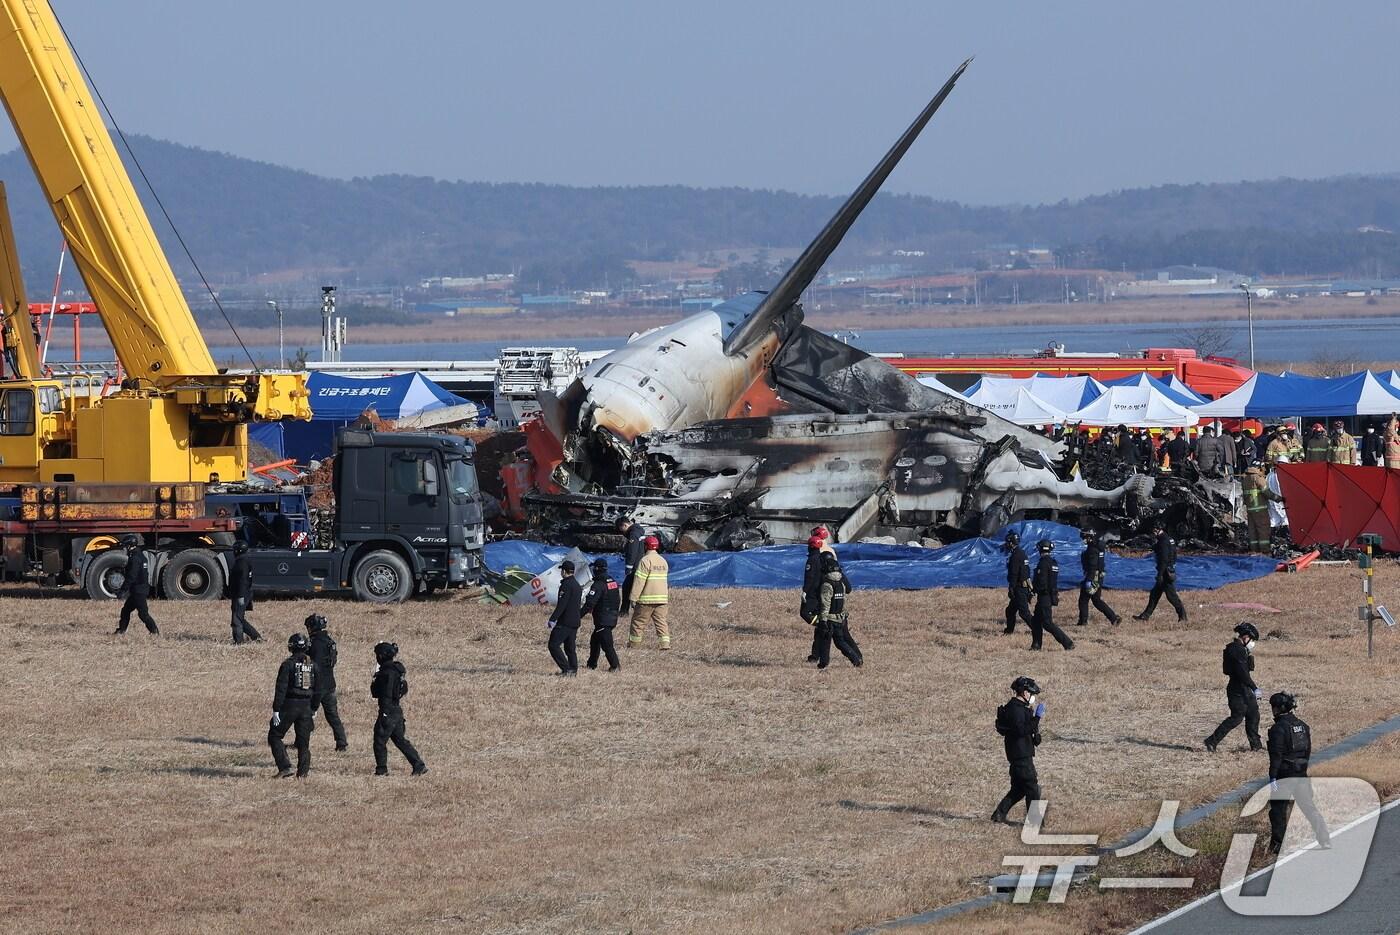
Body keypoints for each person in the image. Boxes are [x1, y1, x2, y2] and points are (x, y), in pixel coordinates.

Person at [1265, 692, 1330, 853]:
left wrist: (1272, 777)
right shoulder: (1303, 726)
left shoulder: (1278, 729)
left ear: (1278, 708)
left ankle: (1278, 845)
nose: (1272, 710)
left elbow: (1276, 756)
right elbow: (1307, 751)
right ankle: (1325, 839)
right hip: (1301, 774)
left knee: (1278, 811)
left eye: (1273, 707)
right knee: (1309, 807)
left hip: (1284, 776)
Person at [992, 676, 1046, 825]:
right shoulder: (1014, 710)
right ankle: (1035, 822)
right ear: (1024, 693)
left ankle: (999, 814)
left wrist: (1035, 737)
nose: (1033, 697)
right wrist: (1037, 718)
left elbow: (1025, 731)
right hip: (1020, 756)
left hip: (1021, 754)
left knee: (1019, 789)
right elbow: (1021, 730)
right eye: (1031, 693)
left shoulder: (1021, 708)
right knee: (1032, 788)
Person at [268, 632, 322, 778]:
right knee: (304, 742)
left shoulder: (288, 664)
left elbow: (281, 688)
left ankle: (285, 767)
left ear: (291, 647)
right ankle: (303, 773)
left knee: (275, 735)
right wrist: (314, 708)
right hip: (306, 706)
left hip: (290, 704)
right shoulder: (313, 665)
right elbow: (318, 689)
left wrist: (276, 709)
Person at [1204, 622, 1264, 753]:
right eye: (1252, 640)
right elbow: (1242, 673)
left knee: (1253, 714)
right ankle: (1211, 741)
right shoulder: (1235, 650)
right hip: (1237, 690)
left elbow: (1247, 671)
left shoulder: (1241, 650)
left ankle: (1256, 746)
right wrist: (1255, 688)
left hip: (1245, 689)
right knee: (1237, 717)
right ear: (1245, 637)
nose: (1252, 643)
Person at [371, 641, 427, 776]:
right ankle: (418, 765)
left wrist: (384, 712)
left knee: (379, 741)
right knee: (400, 740)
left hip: (388, 710)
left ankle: (381, 770)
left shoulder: (386, 673)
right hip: (396, 710)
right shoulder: (397, 670)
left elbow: (382, 693)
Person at [305, 614, 348, 750]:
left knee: (306, 714)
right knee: (333, 716)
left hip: (317, 686)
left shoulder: (315, 643)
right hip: (330, 684)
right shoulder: (330, 641)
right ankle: (342, 742)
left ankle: (301, 741)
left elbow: (314, 666)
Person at [813, 550, 862, 668]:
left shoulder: (827, 584)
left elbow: (826, 603)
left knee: (825, 641)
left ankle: (823, 663)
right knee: (840, 642)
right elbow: (843, 599)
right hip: (840, 617)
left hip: (829, 618)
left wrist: (823, 620)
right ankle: (856, 659)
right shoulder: (841, 582)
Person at [1134, 521, 1187, 622]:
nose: (1153, 533)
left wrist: (1160, 575)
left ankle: (1183, 616)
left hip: (1165, 574)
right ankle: (1145, 616)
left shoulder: (1163, 541)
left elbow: (1163, 559)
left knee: (1172, 597)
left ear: (1157, 530)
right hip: (1169, 570)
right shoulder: (1169, 539)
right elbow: (1174, 554)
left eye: (1154, 530)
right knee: (1154, 594)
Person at [627, 536, 670, 649]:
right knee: (661, 622)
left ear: (645, 546)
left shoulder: (645, 561)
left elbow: (639, 581)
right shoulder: (663, 561)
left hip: (646, 599)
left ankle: (634, 645)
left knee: (638, 623)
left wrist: (633, 597)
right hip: (662, 599)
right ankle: (665, 644)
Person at [1030, 539, 1074, 651]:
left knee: (1047, 623)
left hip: (1044, 596)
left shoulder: (1043, 563)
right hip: (1049, 595)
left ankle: (1067, 643)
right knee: (1036, 622)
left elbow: (1042, 582)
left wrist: (1033, 590)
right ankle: (1036, 645)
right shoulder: (1053, 562)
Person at [582, 557, 621, 671]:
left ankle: (615, 666)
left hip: (603, 618)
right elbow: (617, 599)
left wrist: (578, 615)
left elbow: (590, 603)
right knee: (595, 640)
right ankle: (591, 664)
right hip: (612, 616)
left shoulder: (598, 584)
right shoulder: (612, 581)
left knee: (607, 644)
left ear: (597, 569)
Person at [114, 535, 158, 636]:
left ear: (130, 546)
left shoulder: (135, 558)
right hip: (138, 590)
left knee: (143, 614)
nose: (124, 549)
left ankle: (154, 631)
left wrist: (122, 590)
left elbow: (131, 576)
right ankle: (121, 630)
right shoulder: (141, 556)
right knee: (126, 610)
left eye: (125, 546)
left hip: (139, 590)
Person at [1076, 529, 1121, 626]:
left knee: (1083, 600)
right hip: (1099, 576)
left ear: (1089, 537)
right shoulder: (1099, 546)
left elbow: (1092, 566)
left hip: (1093, 577)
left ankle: (1082, 621)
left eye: (1084, 537)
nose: (1083, 540)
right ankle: (1113, 618)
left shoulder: (1092, 549)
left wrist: (1089, 580)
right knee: (1096, 600)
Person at [548, 560, 582, 675]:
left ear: (564, 571)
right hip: (575, 621)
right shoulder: (577, 585)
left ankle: (566, 669)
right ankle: (573, 669)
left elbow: (562, 604)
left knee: (553, 645)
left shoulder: (566, 585)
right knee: (570, 647)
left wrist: (553, 618)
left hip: (565, 621)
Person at [1241, 460, 1284, 554]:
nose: (1264, 470)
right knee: (1263, 529)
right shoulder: (1258, 478)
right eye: (1263, 468)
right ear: (1259, 467)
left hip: (1250, 509)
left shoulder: (1245, 478)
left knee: (1253, 530)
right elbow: (1267, 493)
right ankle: (1264, 550)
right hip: (1260, 509)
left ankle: (1254, 549)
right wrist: (1280, 499)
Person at [227, 541, 262, 644]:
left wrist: (241, 596)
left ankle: (238, 642)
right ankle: (256, 637)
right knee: (240, 618)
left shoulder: (242, 562)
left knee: (236, 619)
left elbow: (243, 580)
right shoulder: (244, 560)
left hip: (241, 594)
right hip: (243, 593)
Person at [1003, 531, 1035, 634]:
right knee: (1010, 611)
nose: (1006, 545)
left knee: (1024, 613)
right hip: (1023, 587)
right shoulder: (1021, 553)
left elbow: (1014, 573)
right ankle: (1009, 631)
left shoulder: (1015, 556)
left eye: (1008, 542)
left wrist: (1011, 587)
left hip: (1019, 588)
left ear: (1011, 543)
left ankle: (1037, 630)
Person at [617, 517, 646, 614]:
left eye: (621, 529)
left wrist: (628, 567)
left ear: (625, 525)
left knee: (627, 587)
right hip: (639, 564)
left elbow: (632, 552)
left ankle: (624, 611)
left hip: (634, 566)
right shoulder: (639, 531)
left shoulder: (633, 534)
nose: (622, 532)